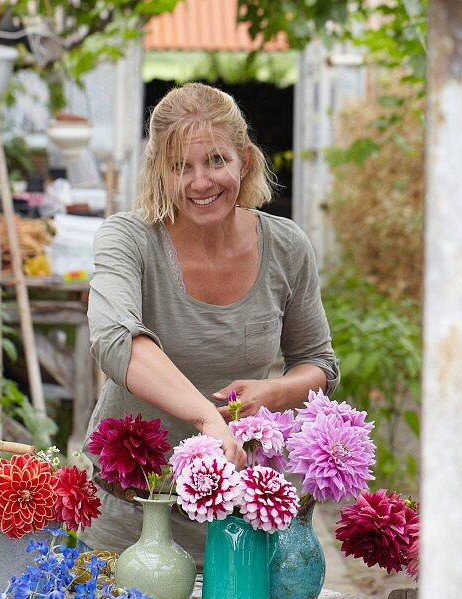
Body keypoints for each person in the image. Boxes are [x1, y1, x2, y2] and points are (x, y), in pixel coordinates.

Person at [81, 81, 340, 561]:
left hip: (240, 526)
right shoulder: (128, 239)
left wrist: (272, 392)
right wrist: (205, 415)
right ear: (160, 171)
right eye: (182, 166)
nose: (201, 182)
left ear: (245, 160)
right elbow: (116, 340)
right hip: (128, 526)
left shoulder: (287, 247)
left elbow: (318, 364)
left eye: (216, 161)